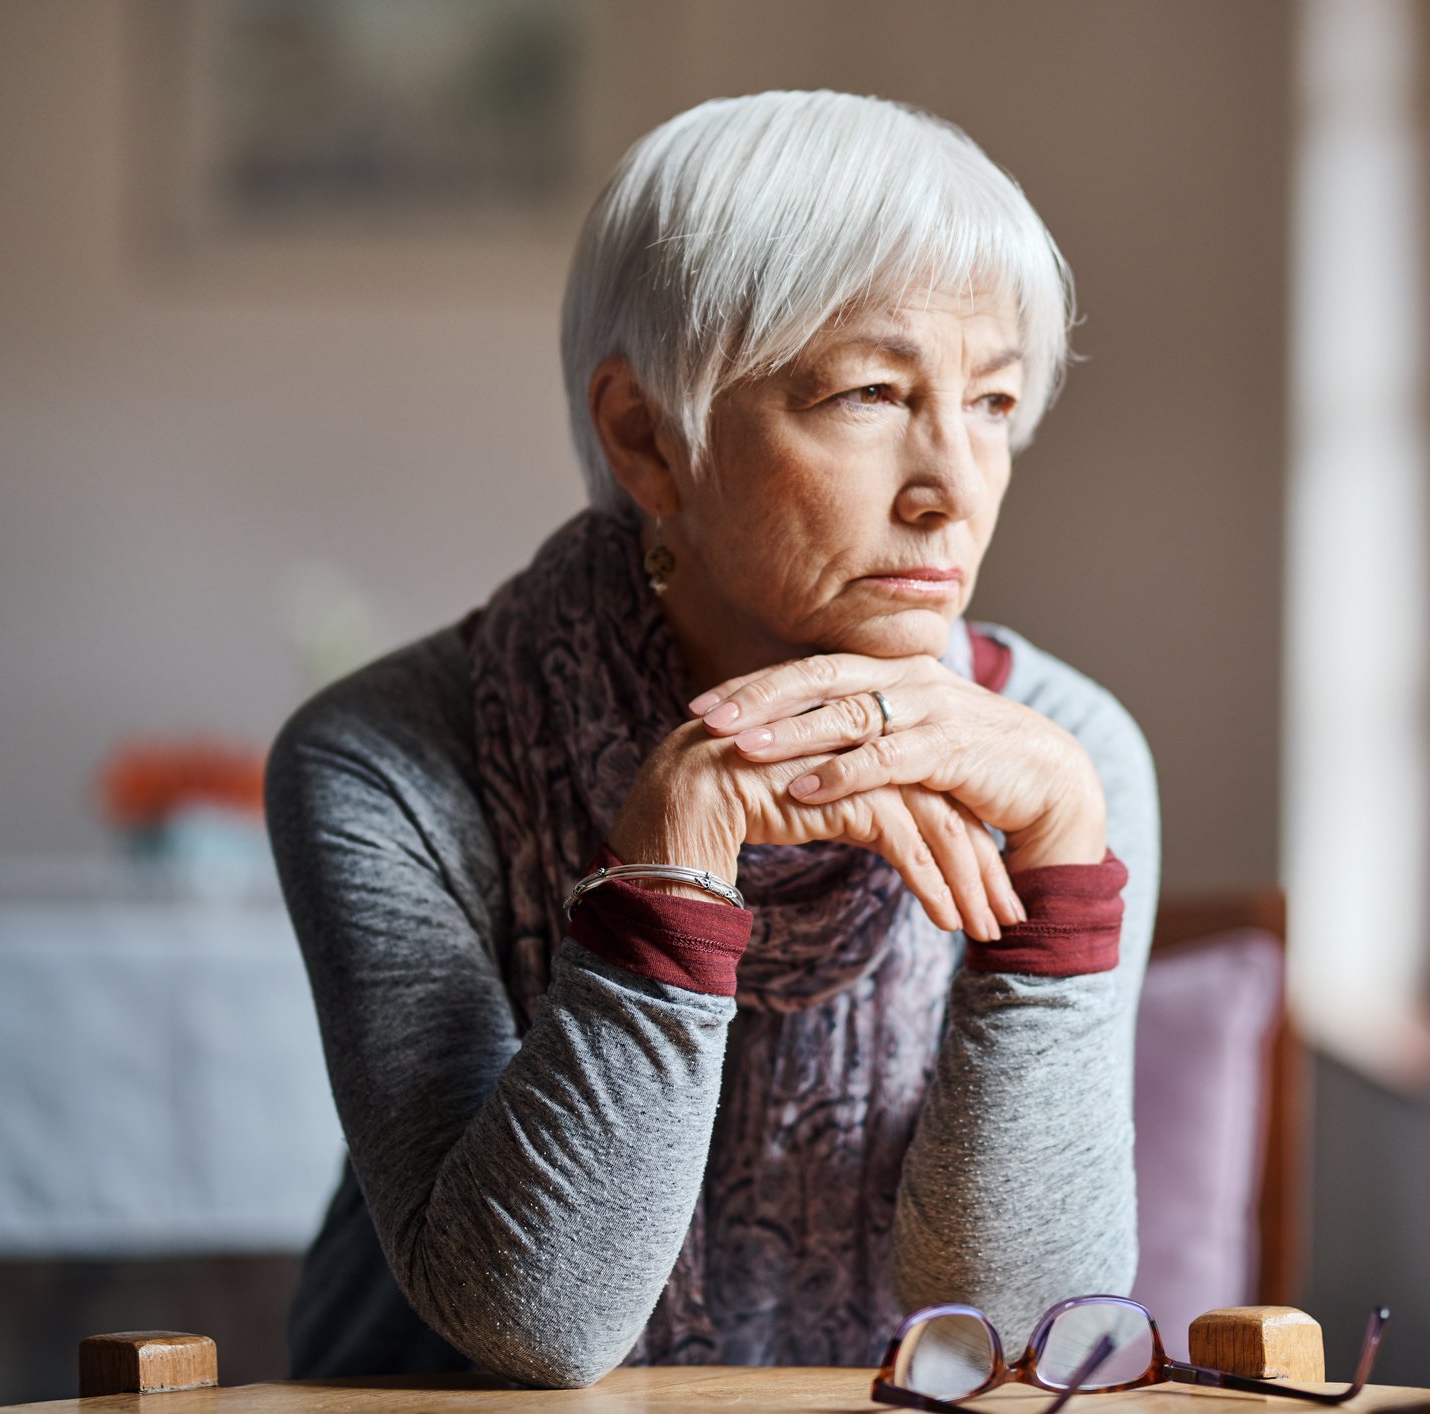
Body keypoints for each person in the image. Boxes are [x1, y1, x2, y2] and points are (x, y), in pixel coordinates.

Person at [268, 89, 1159, 1388]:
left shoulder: (1062, 759)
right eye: (868, 391)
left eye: (992, 402)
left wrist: (1061, 878)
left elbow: (1023, 1324)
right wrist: (672, 869)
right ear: (646, 437)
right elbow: (537, 1321)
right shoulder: (387, 761)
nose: (955, 488)